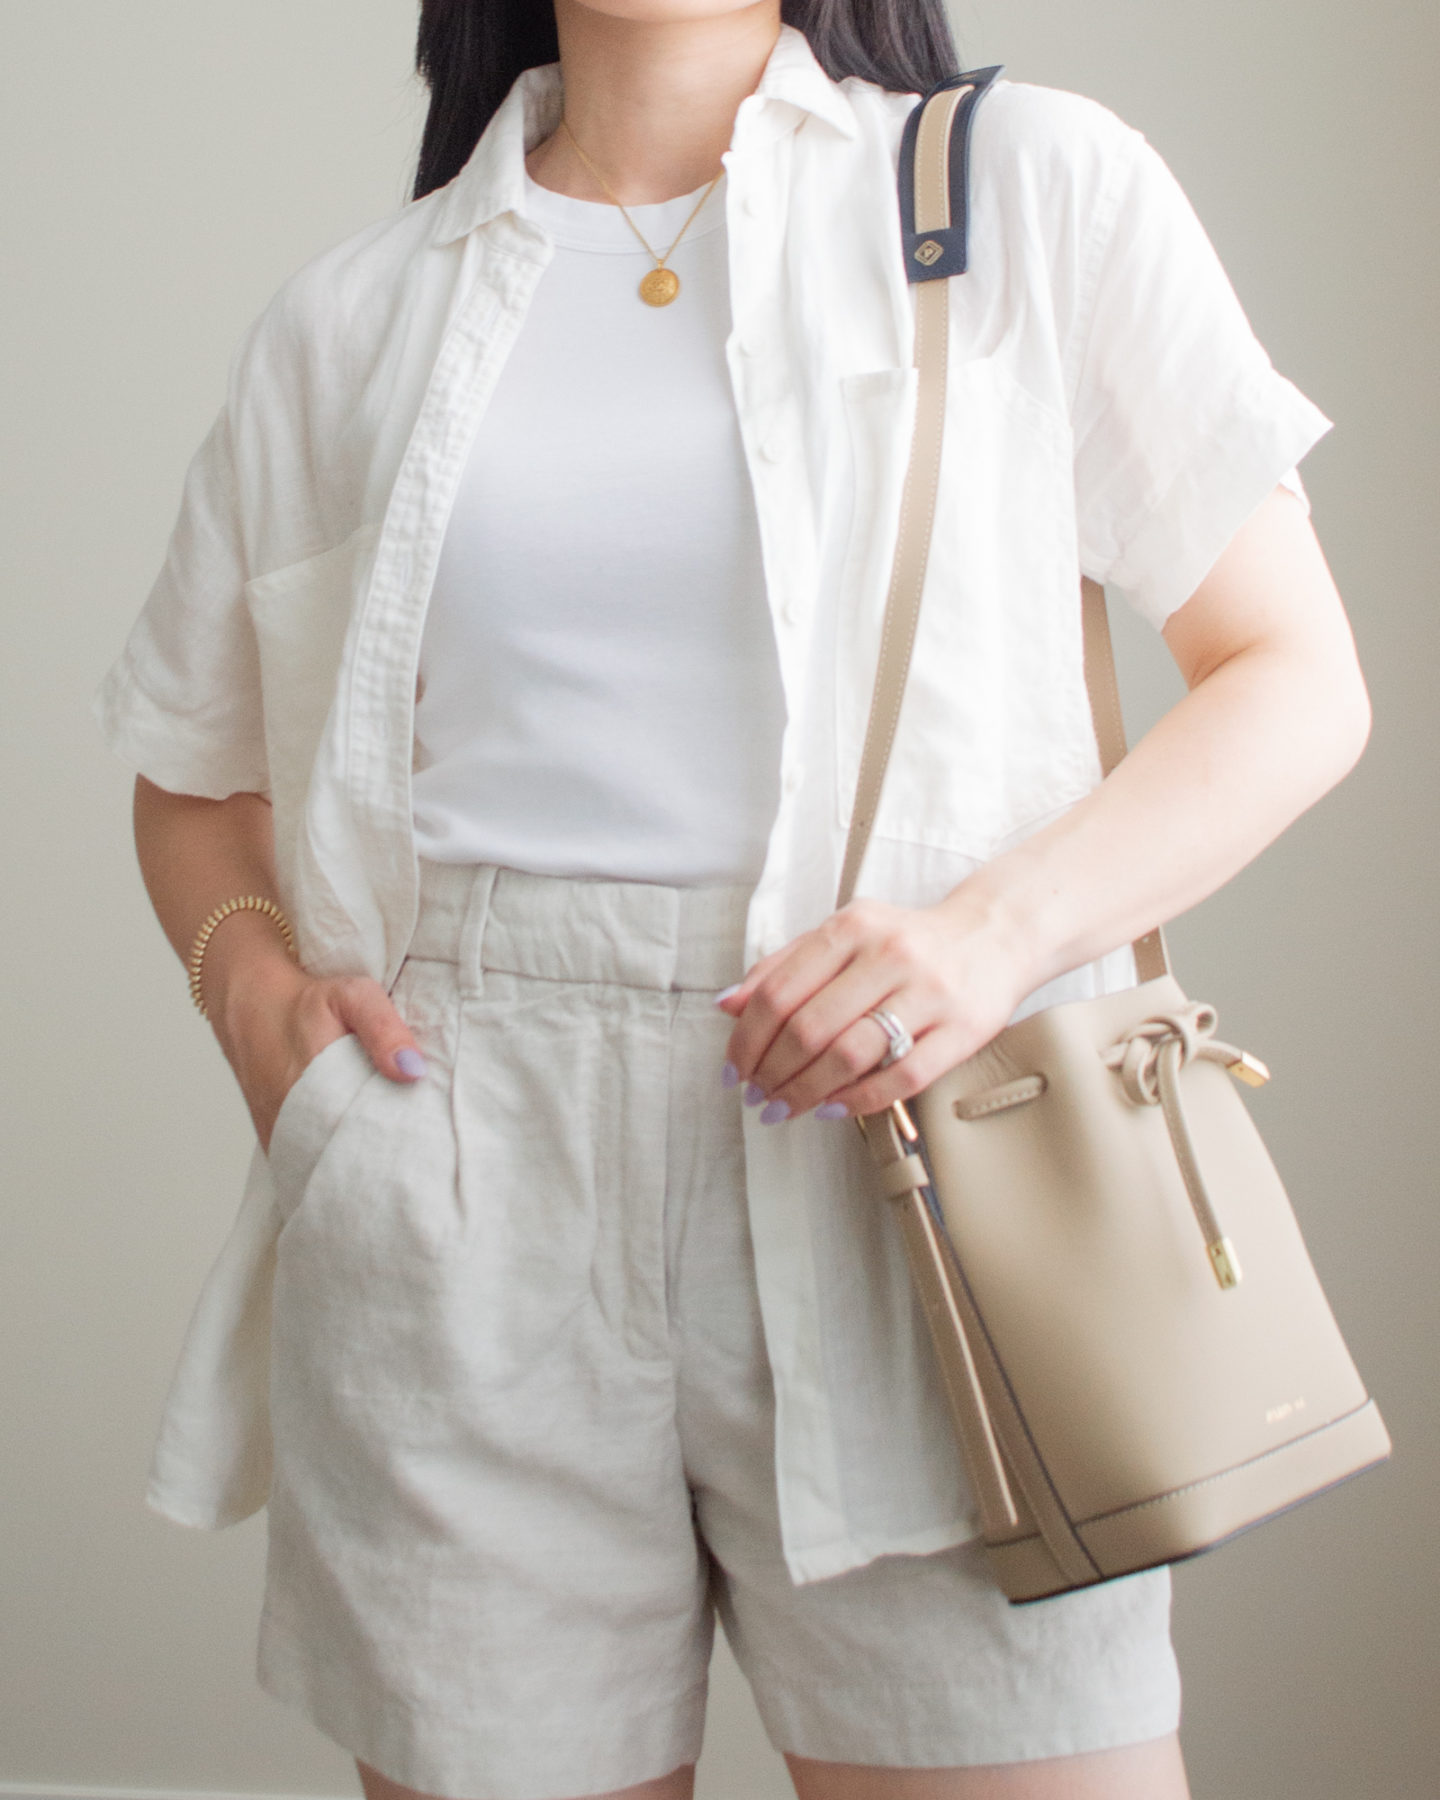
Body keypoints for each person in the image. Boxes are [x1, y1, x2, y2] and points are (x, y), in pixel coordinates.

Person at [94, 2, 1370, 1797]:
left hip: (925, 1153)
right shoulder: (354, 318)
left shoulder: (1028, 191)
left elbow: (1295, 675)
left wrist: (990, 938)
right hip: (462, 1169)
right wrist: (268, 1023)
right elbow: (190, 773)